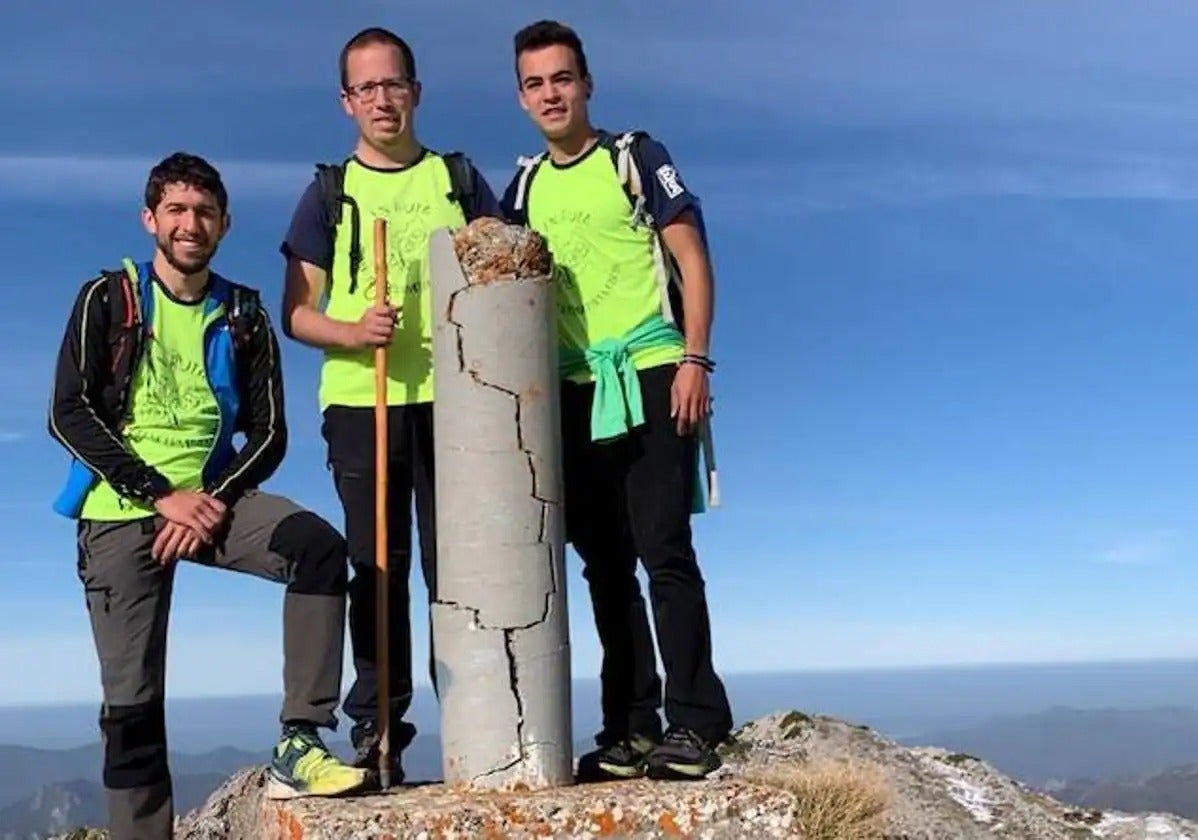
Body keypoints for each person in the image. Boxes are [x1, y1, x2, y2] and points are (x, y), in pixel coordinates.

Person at [46, 152, 368, 839]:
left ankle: (302, 739)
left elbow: (272, 434)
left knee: (318, 549)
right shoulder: (108, 298)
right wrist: (161, 495)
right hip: (119, 508)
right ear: (150, 220)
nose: (190, 224)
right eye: (176, 211)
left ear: (224, 224)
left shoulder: (244, 313)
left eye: (204, 212)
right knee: (131, 701)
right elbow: (68, 413)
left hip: (215, 500)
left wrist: (209, 501)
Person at [500, 20, 734, 782]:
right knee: (603, 564)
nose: (550, 94)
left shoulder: (635, 157)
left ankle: (696, 722)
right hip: (570, 391)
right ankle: (631, 728)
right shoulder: (525, 187)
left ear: (586, 83)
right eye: (535, 83)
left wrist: (695, 357)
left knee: (663, 547)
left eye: (561, 78)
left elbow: (692, 257)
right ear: (521, 95)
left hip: (653, 370)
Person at [279, 26, 503, 782]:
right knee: (379, 568)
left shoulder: (458, 179)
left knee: (462, 568)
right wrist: (354, 329)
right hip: (360, 400)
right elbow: (298, 312)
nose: (382, 99)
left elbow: (502, 266)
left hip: (457, 398)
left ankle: (484, 724)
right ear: (347, 102)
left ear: (416, 91)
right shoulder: (329, 192)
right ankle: (379, 737)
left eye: (393, 84)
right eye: (366, 88)